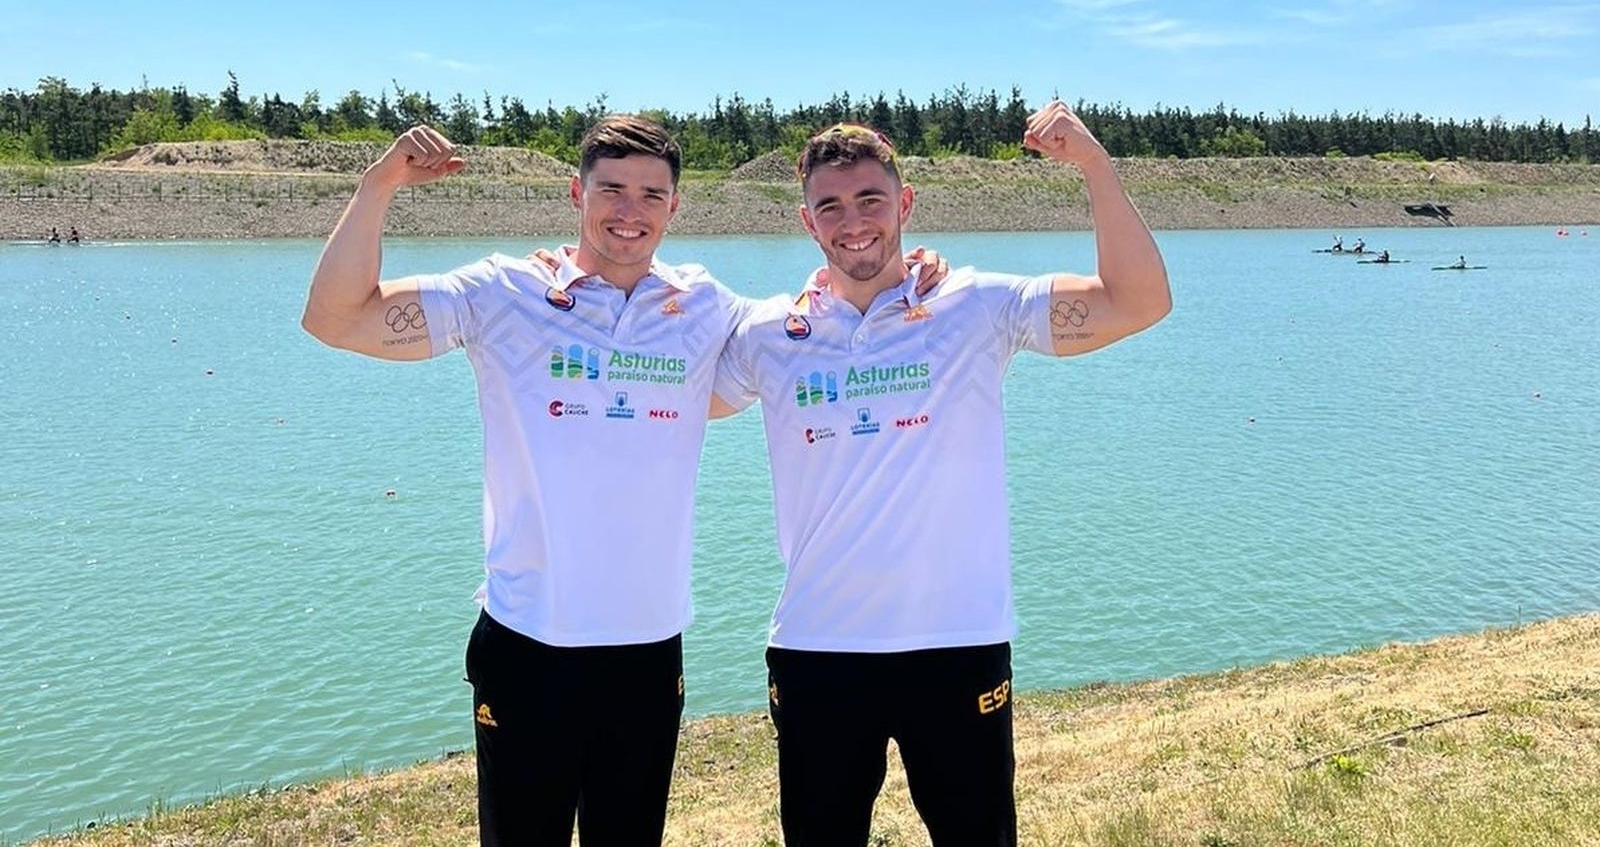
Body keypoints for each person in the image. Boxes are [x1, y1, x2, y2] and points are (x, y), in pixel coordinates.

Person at [301, 117, 946, 847]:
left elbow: (813, 319)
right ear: (577, 193)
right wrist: (378, 185)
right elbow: (334, 317)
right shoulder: (505, 292)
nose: (629, 209)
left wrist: (909, 274)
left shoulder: (704, 308)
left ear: (674, 208)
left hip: (647, 654)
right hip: (527, 643)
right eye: (610, 188)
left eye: (650, 193)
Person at [710, 104, 1171, 846]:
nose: (853, 221)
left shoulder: (975, 306)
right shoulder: (773, 331)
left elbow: (1139, 301)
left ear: (906, 205)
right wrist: (577, 279)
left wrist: (1096, 166)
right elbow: (652, 393)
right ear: (807, 221)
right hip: (818, 652)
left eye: (870, 200)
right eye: (831, 205)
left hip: (956, 646)